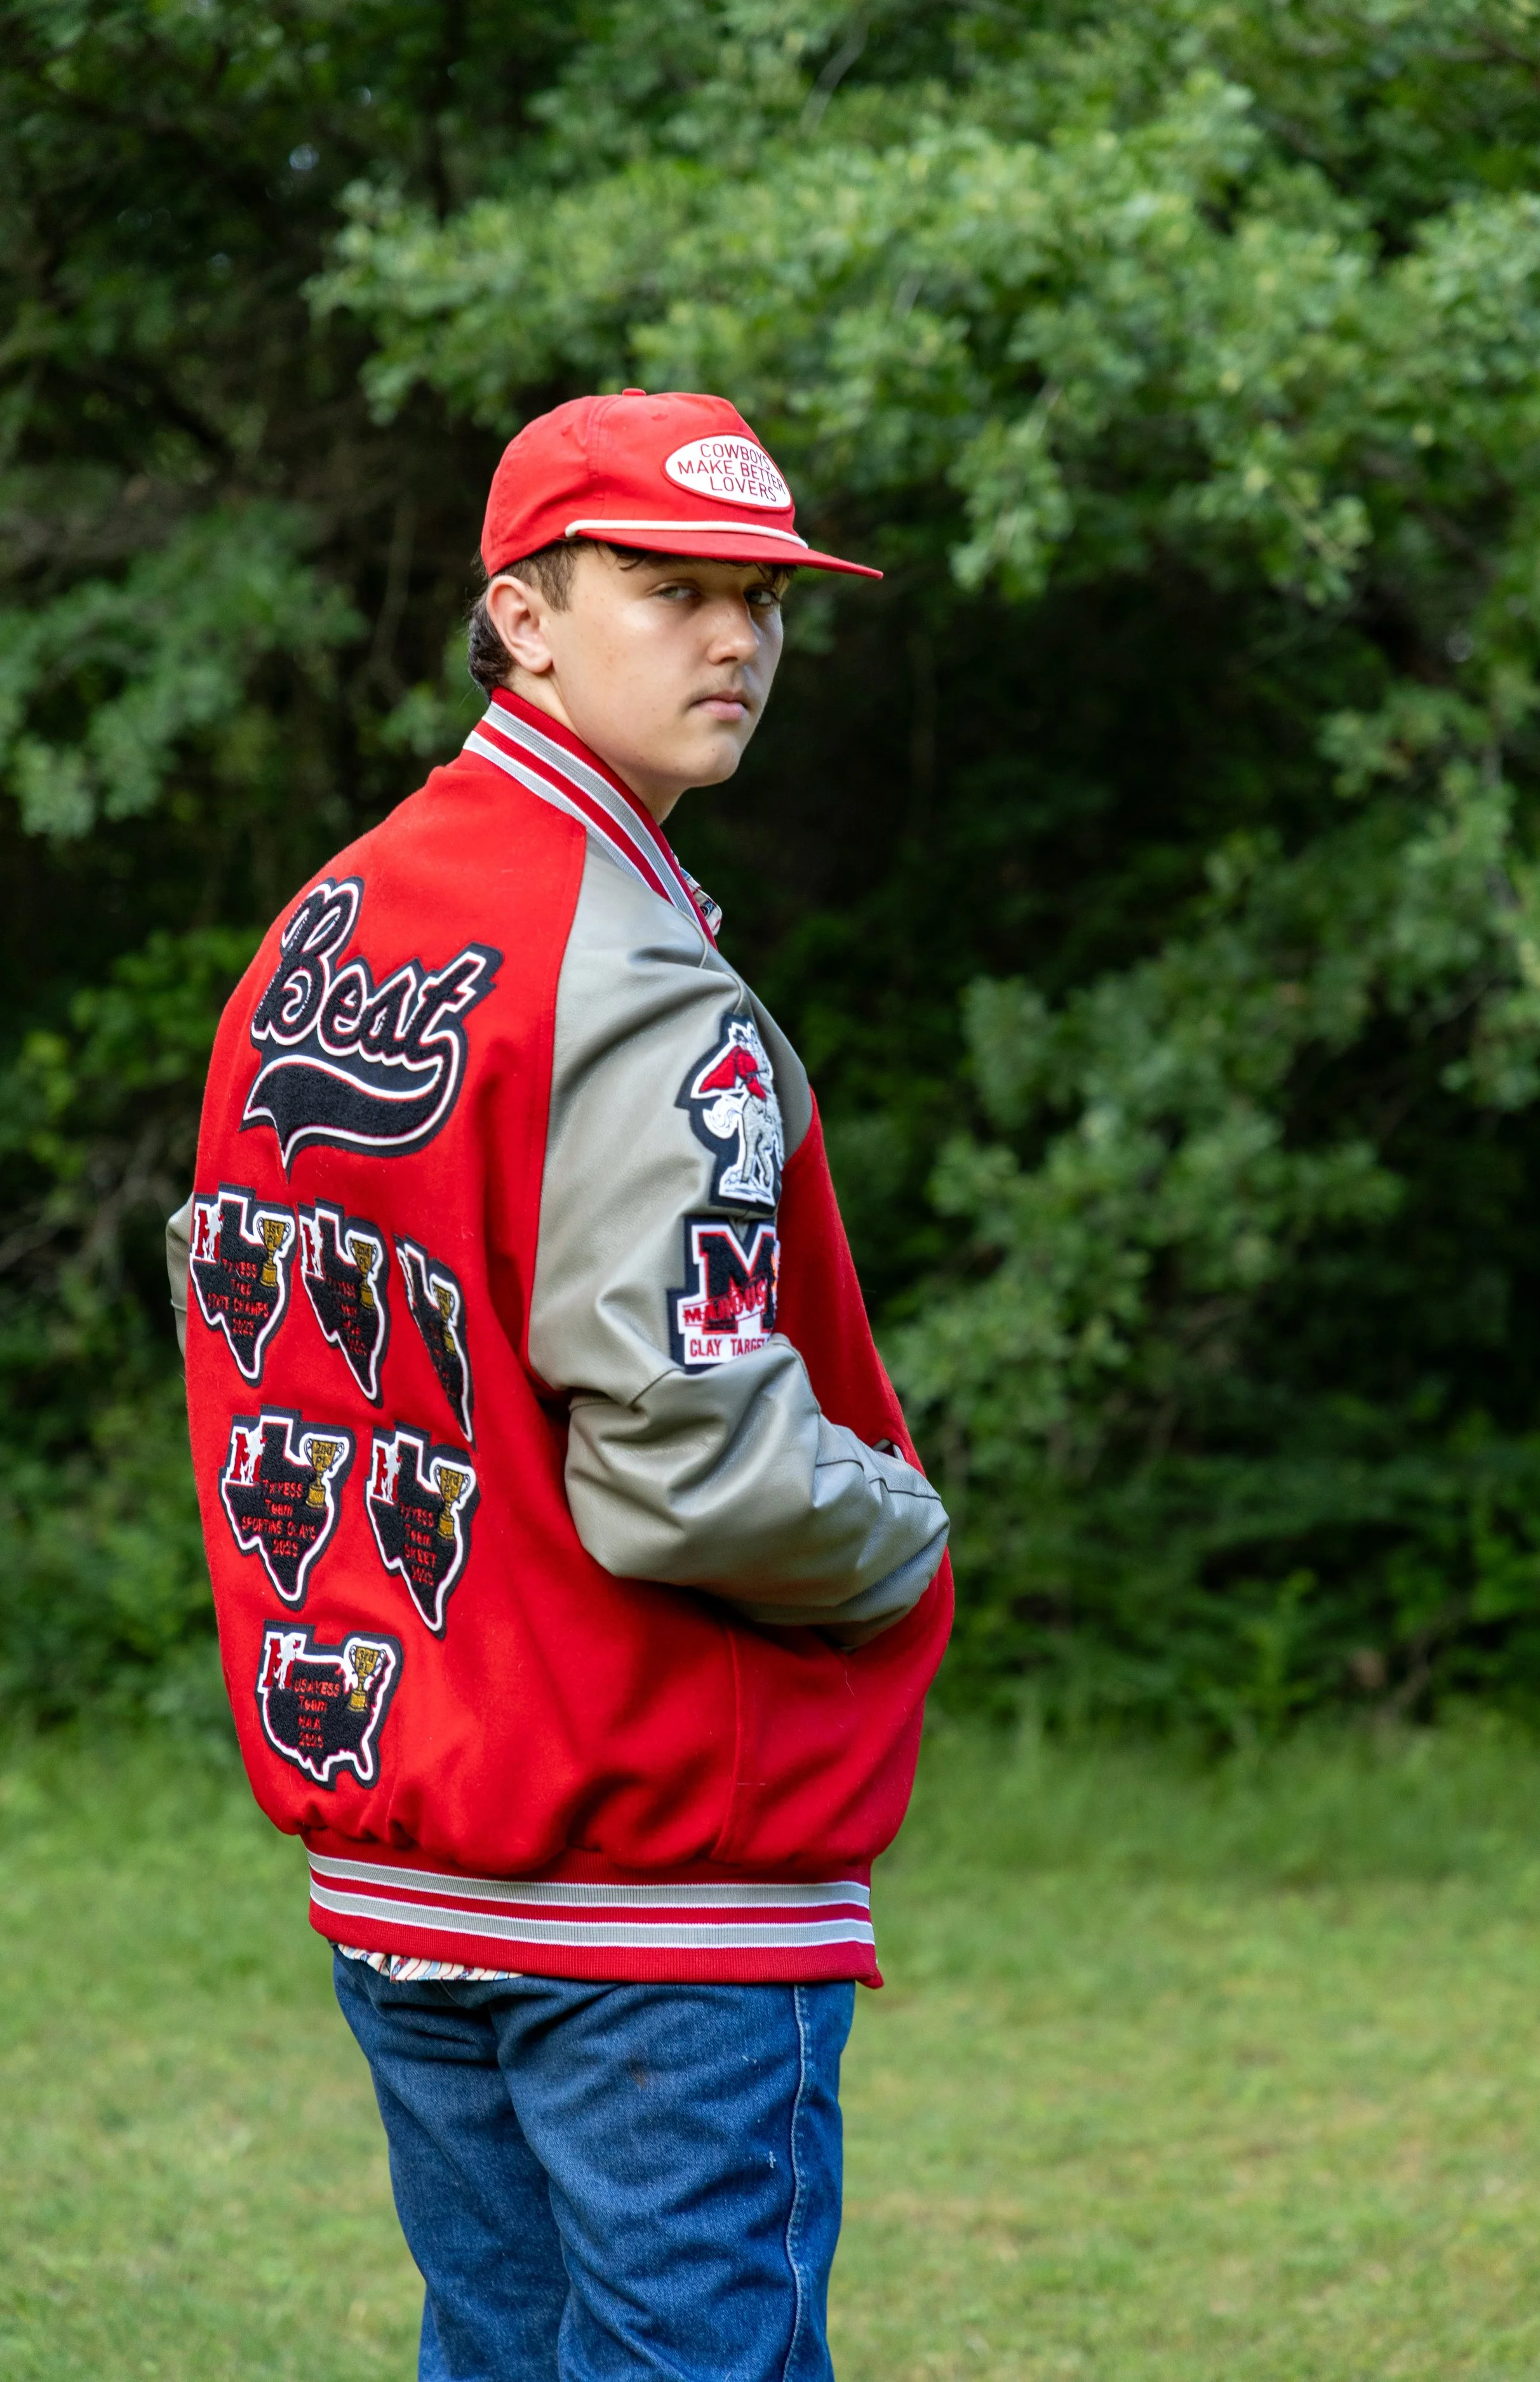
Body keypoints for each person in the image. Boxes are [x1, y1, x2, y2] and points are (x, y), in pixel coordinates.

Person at [169, 387, 953, 2382]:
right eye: (670, 587)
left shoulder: (329, 928)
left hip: (403, 1839)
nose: (734, 642)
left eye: (761, 601)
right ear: (520, 615)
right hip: (644, 1868)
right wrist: (897, 1527)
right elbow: (689, 1465)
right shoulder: (627, 974)